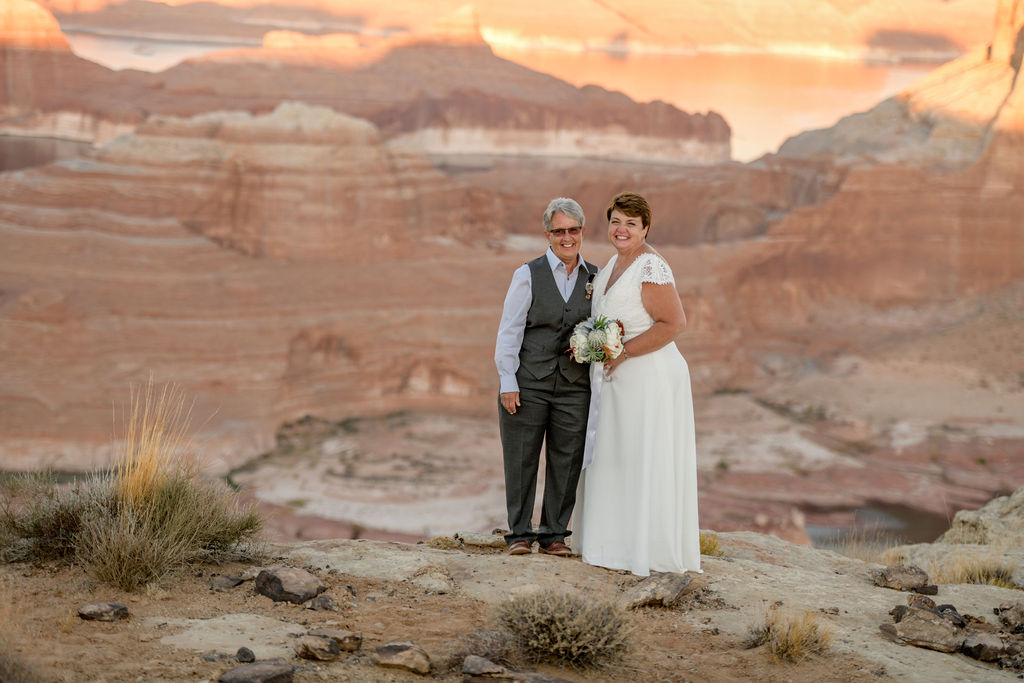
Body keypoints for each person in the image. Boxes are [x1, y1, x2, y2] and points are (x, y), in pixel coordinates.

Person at [574, 191, 700, 576]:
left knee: (642, 458)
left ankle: (642, 549)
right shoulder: (613, 263)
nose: (621, 229)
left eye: (631, 223)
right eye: (615, 221)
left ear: (645, 228)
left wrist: (623, 352)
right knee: (617, 456)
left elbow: (674, 324)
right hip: (617, 380)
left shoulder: (650, 267)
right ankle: (611, 543)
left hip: (649, 378)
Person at [495, 197, 597, 557]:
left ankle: (554, 535)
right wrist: (508, 380)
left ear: (582, 232)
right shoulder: (527, 274)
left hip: (574, 386)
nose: (566, 237)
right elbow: (510, 330)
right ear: (547, 235)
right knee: (522, 458)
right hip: (529, 382)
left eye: (573, 230)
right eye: (559, 231)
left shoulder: (595, 277)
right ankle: (519, 535)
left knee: (567, 459)